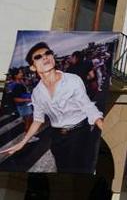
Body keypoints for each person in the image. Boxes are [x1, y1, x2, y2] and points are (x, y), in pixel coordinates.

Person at [0, 42, 105, 173]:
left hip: (80, 133)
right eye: (38, 57)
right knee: (62, 171)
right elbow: (38, 119)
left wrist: (101, 124)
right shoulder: (37, 93)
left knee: (82, 171)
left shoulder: (73, 80)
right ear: (33, 67)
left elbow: (87, 106)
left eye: (47, 53)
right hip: (57, 137)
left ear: (52, 57)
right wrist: (23, 142)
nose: (45, 57)